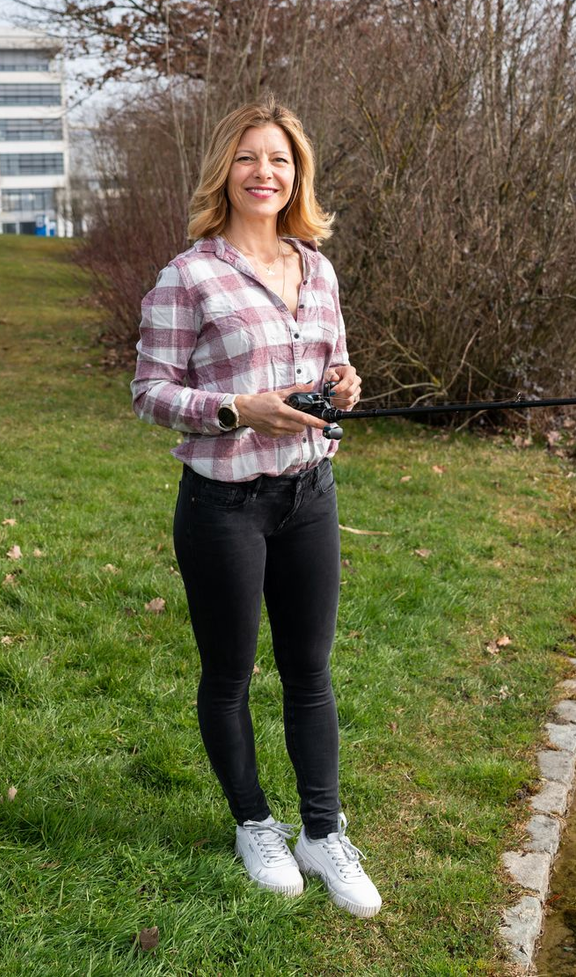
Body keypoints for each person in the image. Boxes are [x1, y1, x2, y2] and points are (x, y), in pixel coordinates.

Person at [131, 97, 381, 918]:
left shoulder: (319, 267)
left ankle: (321, 830)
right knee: (231, 674)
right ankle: (254, 822)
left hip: (309, 492)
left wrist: (343, 384)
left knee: (310, 671)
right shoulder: (189, 275)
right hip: (223, 505)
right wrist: (240, 410)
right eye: (248, 158)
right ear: (224, 173)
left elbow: (337, 365)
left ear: (296, 174)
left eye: (279, 160)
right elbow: (151, 391)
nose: (264, 173)